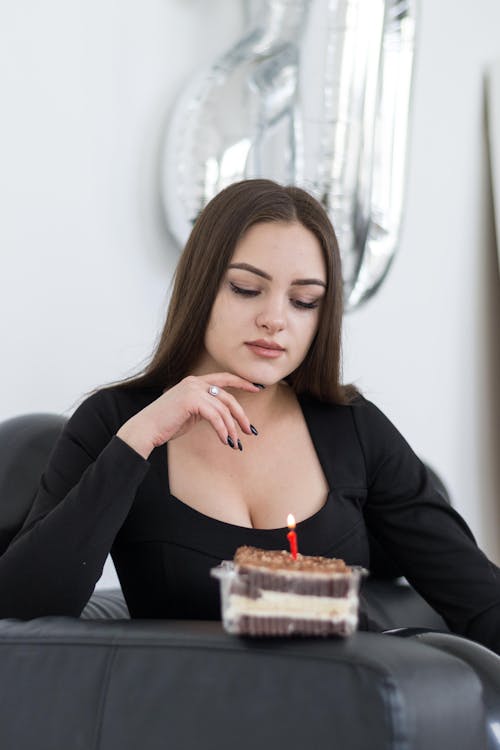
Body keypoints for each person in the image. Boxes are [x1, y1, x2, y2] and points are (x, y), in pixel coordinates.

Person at [1, 179, 500, 654]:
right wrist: (139, 440)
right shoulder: (116, 422)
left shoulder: (352, 427)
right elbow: (26, 612)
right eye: (246, 288)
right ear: (201, 287)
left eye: (305, 301)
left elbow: (481, 603)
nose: (276, 319)